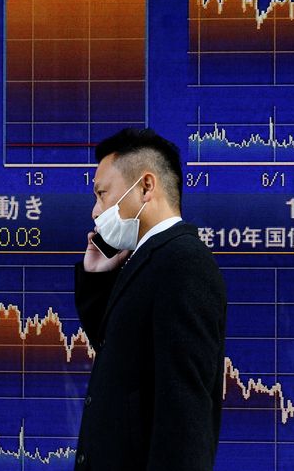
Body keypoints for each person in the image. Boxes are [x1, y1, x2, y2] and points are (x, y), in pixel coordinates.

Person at [73, 128, 227, 471]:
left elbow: (185, 413)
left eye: (102, 194)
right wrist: (97, 278)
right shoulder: (148, 259)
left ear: (145, 186)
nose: (96, 211)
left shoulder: (183, 262)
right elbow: (119, 355)